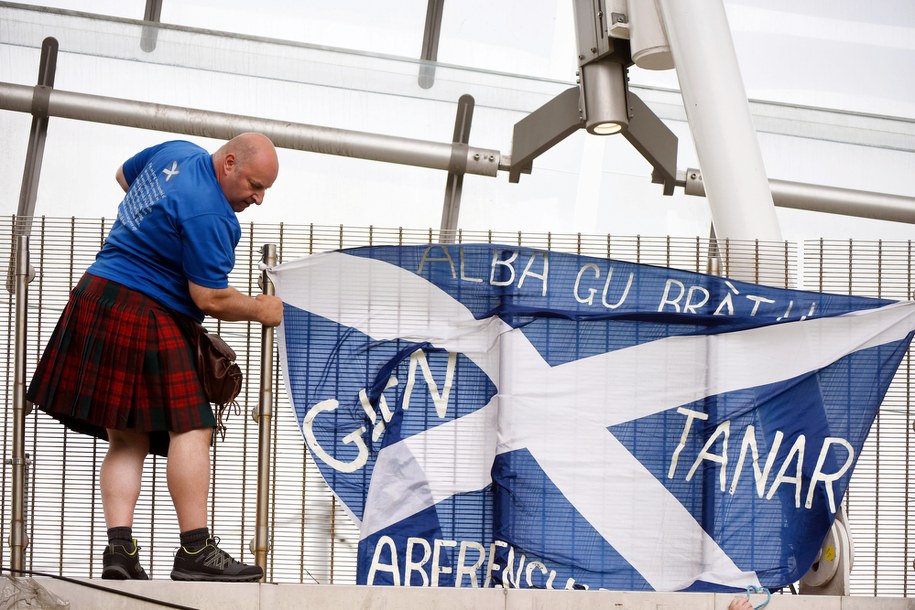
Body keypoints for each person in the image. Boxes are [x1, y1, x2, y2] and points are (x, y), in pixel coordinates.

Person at [27, 132, 284, 582]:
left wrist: (157, 230)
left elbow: (124, 176)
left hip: (95, 294)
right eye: (254, 185)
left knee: (127, 438)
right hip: (146, 309)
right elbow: (210, 298)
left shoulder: (175, 151)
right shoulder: (213, 215)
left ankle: (119, 552)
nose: (258, 199)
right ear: (228, 163)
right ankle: (195, 551)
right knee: (193, 425)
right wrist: (262, 308)